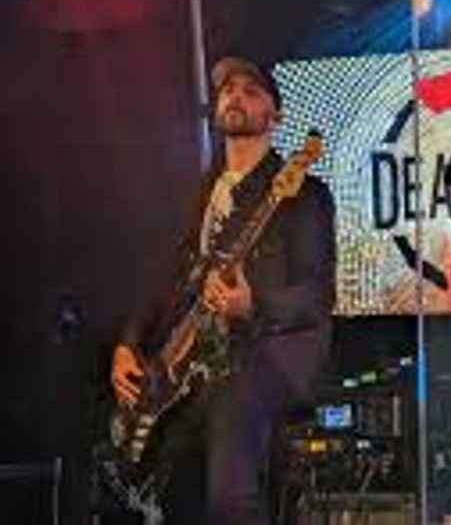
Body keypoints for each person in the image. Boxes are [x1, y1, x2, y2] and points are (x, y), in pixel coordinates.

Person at [109, 55, 336, 524]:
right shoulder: (202, 194)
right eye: (228, 89)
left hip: (270, 355)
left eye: (251, 91)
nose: (235, 96)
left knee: (229, 495)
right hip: (201, 361)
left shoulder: (302, 193)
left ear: (275, 116)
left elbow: (317, 294)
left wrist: (254, 305)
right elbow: (167, 280)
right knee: (158, 489)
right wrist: (129, 343)